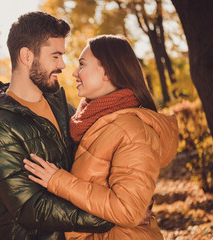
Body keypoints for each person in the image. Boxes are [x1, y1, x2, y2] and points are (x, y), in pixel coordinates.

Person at [0, 12, 114, 240]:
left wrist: (128, 197)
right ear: (26, 56)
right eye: (55, 56)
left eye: (62, 56)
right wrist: (111, 216)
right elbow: (29, 206)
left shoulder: (62, 107)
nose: (63, 65)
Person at [23, 34, 179, 240]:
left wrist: (58, 180)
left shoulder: (133, 130)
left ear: (108, 72)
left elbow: (128, 210)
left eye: (82, 64)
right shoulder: (92, 121)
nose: (74, 73)